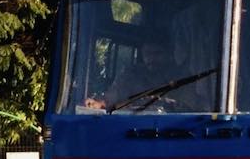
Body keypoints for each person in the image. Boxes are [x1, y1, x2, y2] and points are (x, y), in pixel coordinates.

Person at [86, 38, 214, 111]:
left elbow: (195, 110)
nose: (151, 59)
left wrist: (168, 104)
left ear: (170, 55)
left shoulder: (185, 78)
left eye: (157, 54)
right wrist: (98, 104)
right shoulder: (131, 76)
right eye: (147, 54)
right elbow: (110, 100)